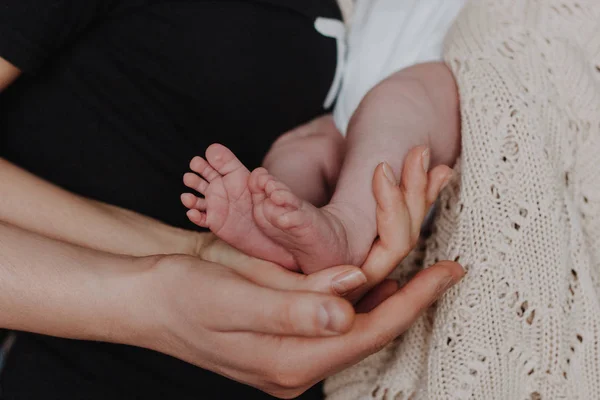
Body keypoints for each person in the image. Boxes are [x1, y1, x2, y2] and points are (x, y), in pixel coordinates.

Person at [0, 1, 463, 399]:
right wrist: (167, 280)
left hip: (266, 326)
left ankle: (327, 229)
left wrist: (194, 255)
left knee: (302, 165)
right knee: (295, 164)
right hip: (75, 367)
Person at [181, 1, 465, 274]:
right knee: (297, 148)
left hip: (429, 91)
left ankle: (348, 226)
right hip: (346, 109)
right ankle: (274, 224)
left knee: (397, 103)